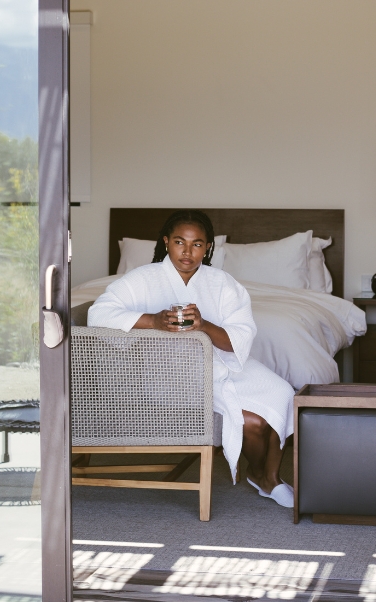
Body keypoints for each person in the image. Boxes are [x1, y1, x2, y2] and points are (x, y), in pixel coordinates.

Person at [87, 210, 296, 508]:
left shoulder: (223, 283)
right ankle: (265, 477)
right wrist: (153, 321)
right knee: (252, 422)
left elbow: (241, 335)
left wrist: (204, 325)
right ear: (166, 242)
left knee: (283, 393)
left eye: (197, 244)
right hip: (171, 376)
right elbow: (99, 314)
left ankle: (267, 474)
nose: (187, 252)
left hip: (223, 363)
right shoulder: (142, 279)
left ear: (208, 247)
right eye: (179, 242)